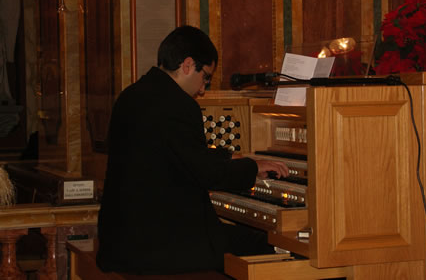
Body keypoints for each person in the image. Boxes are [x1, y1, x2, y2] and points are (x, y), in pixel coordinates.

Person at [96, 25, 288, 275]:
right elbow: (207, 174)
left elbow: (172, 155)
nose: (203, 89)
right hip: (159, 247)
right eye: (205, 76)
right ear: (187, 65)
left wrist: (230, 156)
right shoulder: (178, 105)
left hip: (121, 240)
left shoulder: (131, 96)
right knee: (270, 243)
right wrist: (252, 167)